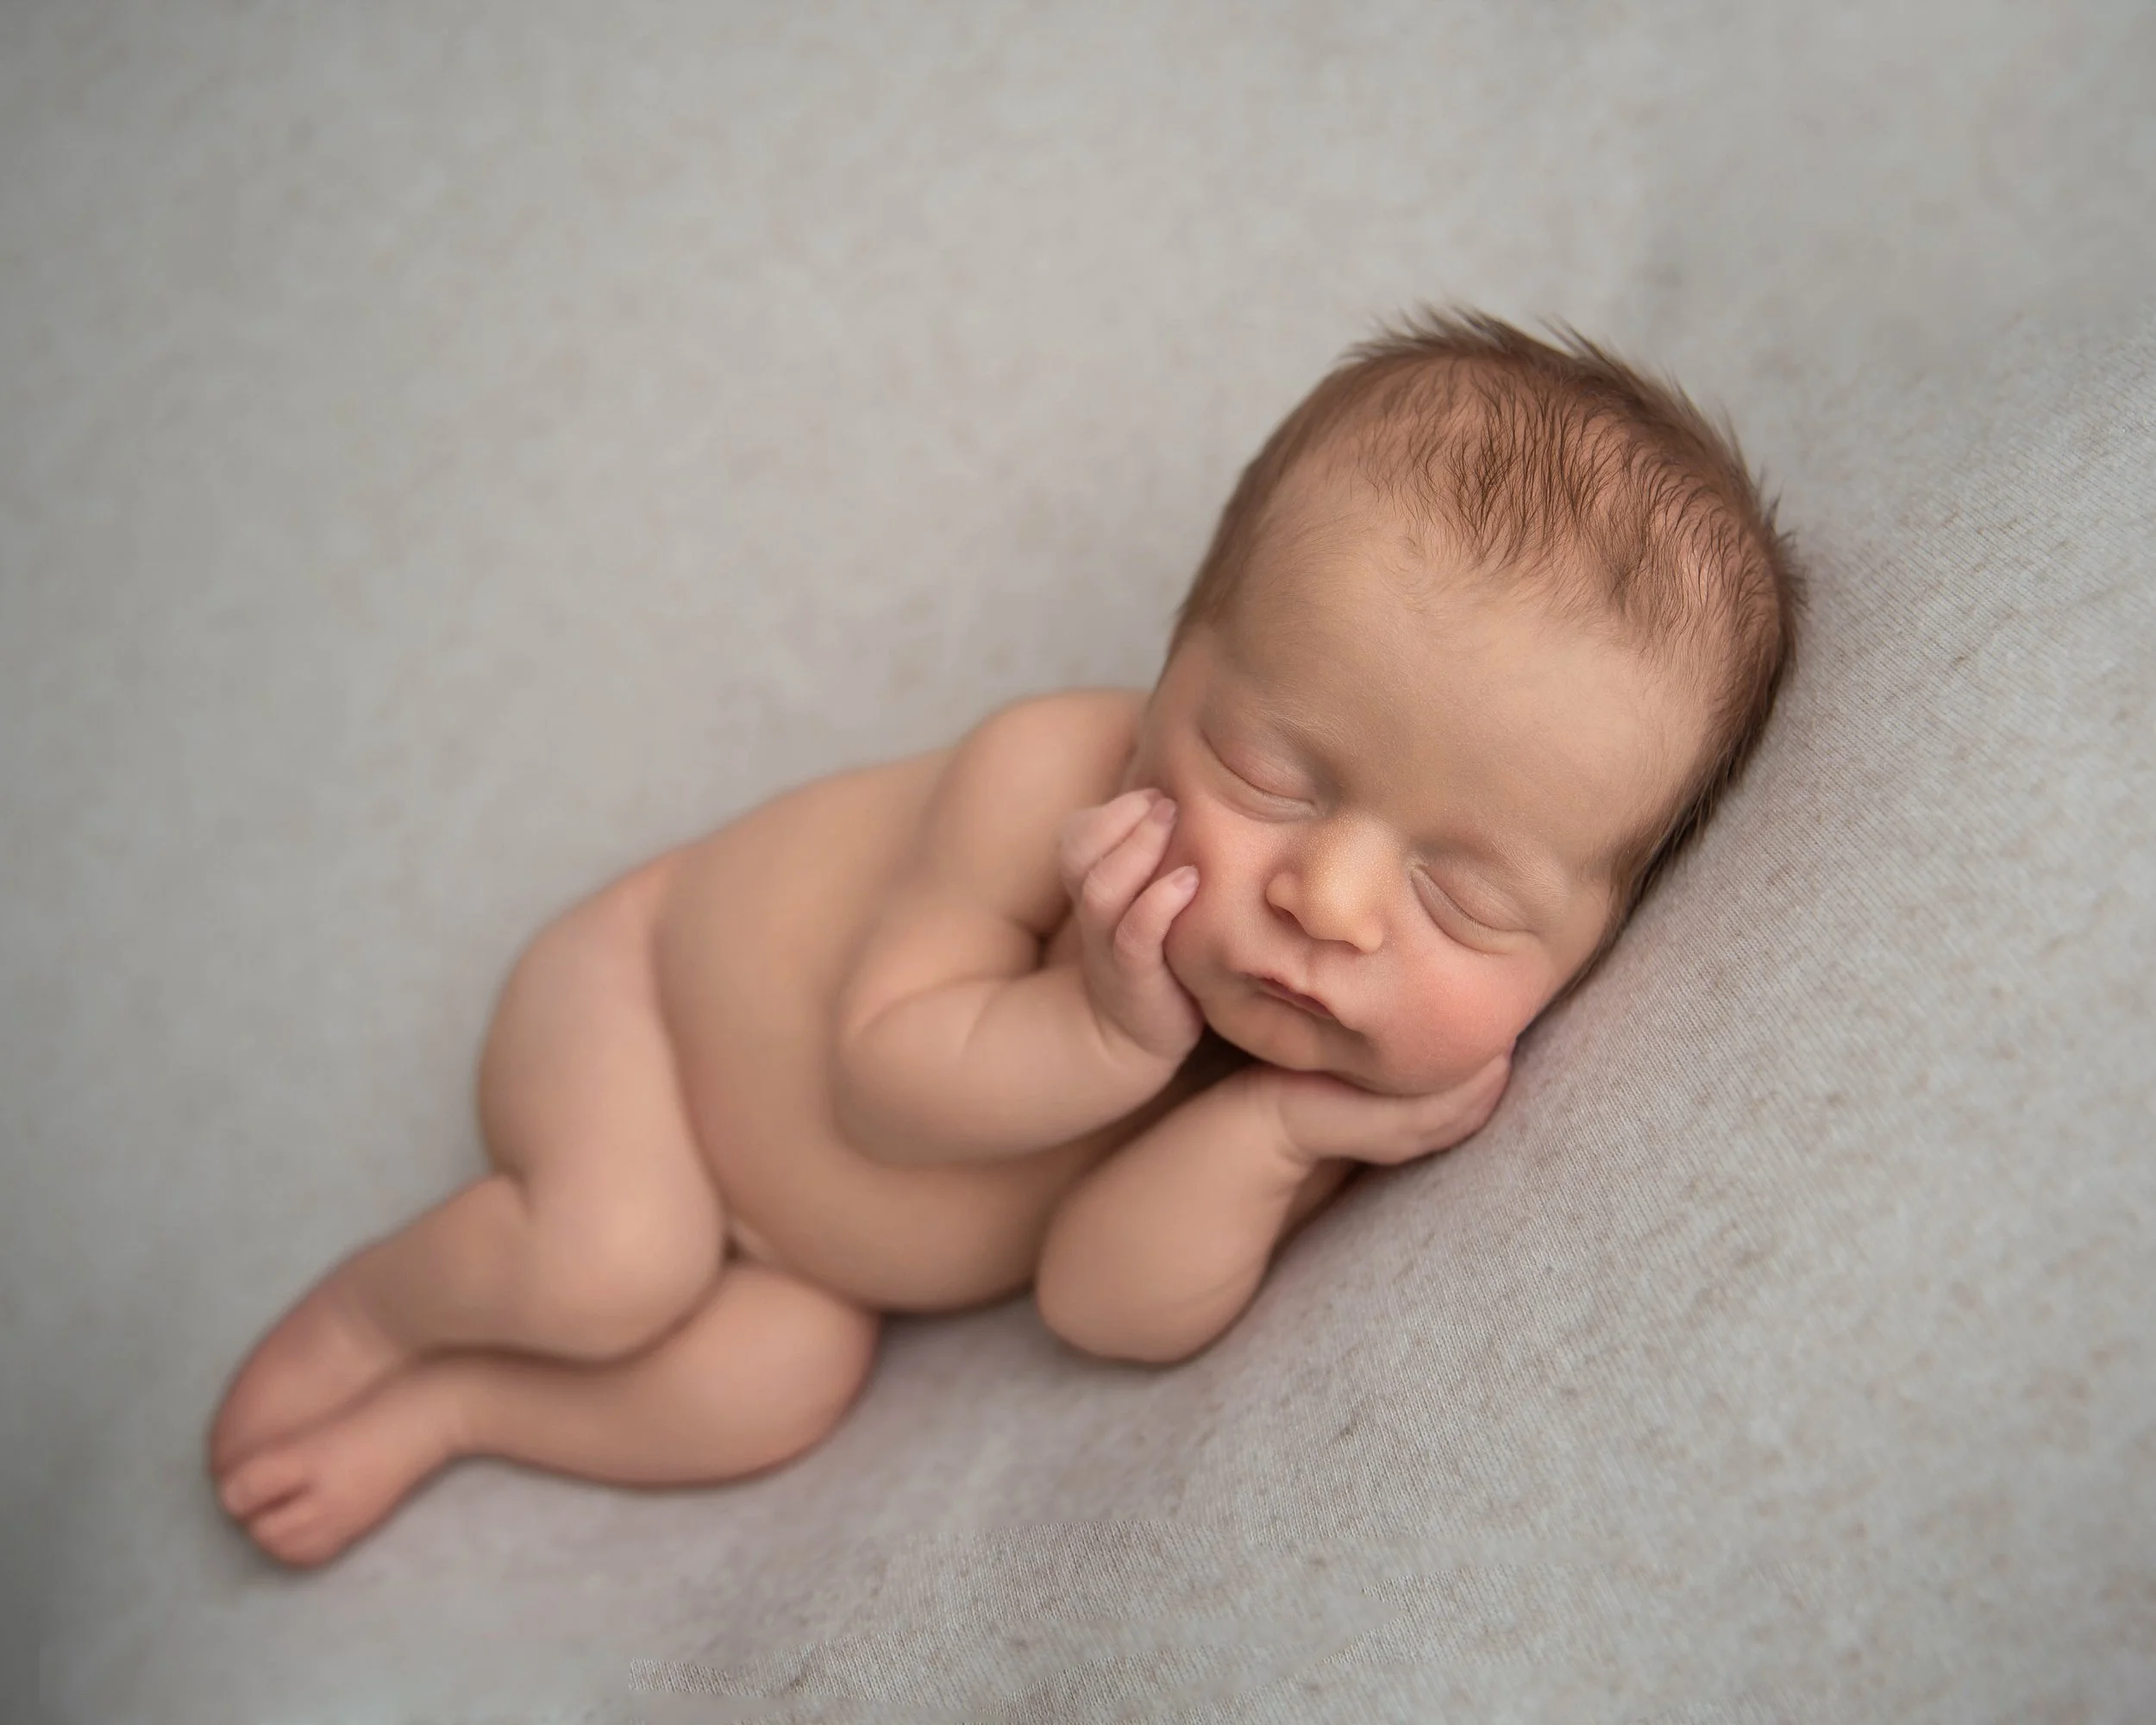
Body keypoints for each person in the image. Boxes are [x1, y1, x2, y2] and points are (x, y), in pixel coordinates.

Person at [208, 309, 1802, 1566]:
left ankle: (460, 1410)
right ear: (1174, 662)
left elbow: (1098, 1302)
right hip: (642, 1012)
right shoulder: (1051, 776)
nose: (1327, 901)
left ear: (1589, 947)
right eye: (1272, 774)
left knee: (773, 1387)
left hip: (809, 1266)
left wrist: (1278, 1133)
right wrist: (1103, 1028)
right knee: (609, 1258)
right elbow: (883, 1079)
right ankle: (375, 1314)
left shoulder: (1317, 1061)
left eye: (1465, 899)